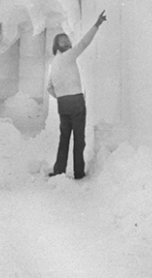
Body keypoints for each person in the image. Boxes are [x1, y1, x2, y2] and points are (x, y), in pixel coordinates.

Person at [46, 10, 107, 180]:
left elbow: (49, 87)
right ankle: (78, 172)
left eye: (67, 40)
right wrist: (97, 25)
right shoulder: (68, 56)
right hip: (76, 101)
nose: (67, 42)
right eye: (63, 41)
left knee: (64, 137)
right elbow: (83, 44)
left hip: (63, 104)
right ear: (58, 46)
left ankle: (59, 170)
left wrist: (61, 96)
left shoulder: (54, 63)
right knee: (79, 138)